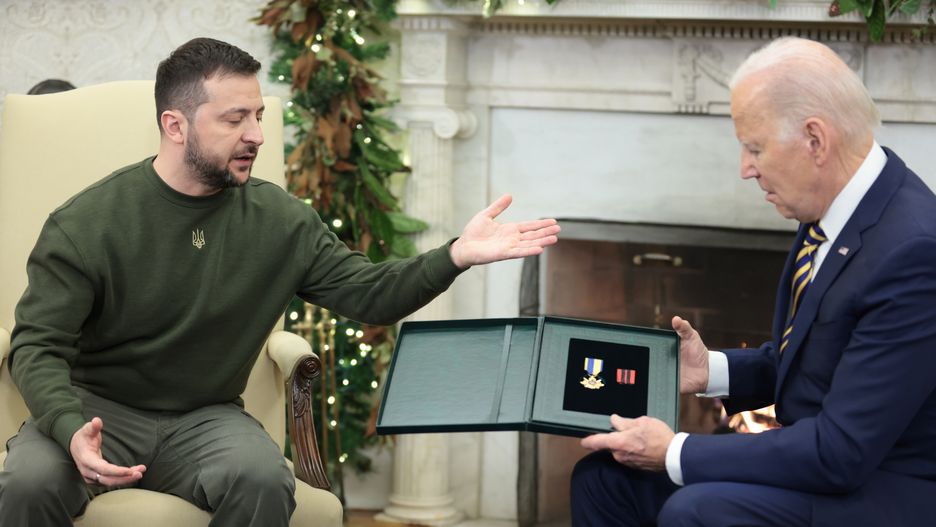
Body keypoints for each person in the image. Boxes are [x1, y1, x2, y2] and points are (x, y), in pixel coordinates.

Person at [0, 37, 560, 526]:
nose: (257, 136)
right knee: (28, 484)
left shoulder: (281, 221)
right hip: (99, 407)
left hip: (205, 416)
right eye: (234, 119)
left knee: (263, 479)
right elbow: (38, 345)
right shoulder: (87, 223)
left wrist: (455, 255)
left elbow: (371, 295)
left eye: (259, 116)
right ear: (175, 125)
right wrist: (71, 427)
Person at [571, 36, 936, 526]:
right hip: (823, 463)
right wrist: (712, 371)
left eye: (754, 148)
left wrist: (675, 450)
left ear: (815, 140)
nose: (745, 169)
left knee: (695, 511)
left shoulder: (914, 252)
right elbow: (818, 361)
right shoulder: (832, 207)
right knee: (604, 478)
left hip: (883, 489)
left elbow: (841, 451)